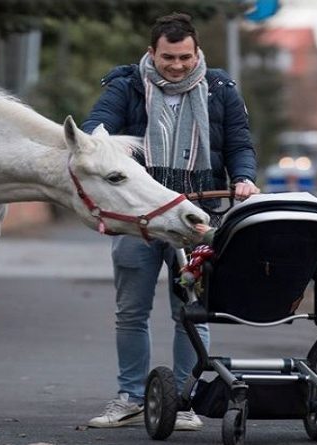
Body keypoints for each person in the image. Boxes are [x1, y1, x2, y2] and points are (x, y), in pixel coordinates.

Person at [81, 12, 260, 430]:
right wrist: (110, 151)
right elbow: (95, 134)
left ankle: (183, 400)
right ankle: (129, 398)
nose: (176, 66)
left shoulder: (220, 89)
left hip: (197, 217)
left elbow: (238, 142)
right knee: (131, 312)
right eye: (167, 58)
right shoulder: (125, 86)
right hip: (138, 219)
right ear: (152, 53)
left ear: (197, 52)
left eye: (184, 57)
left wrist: (245, 177)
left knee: (192, 313)